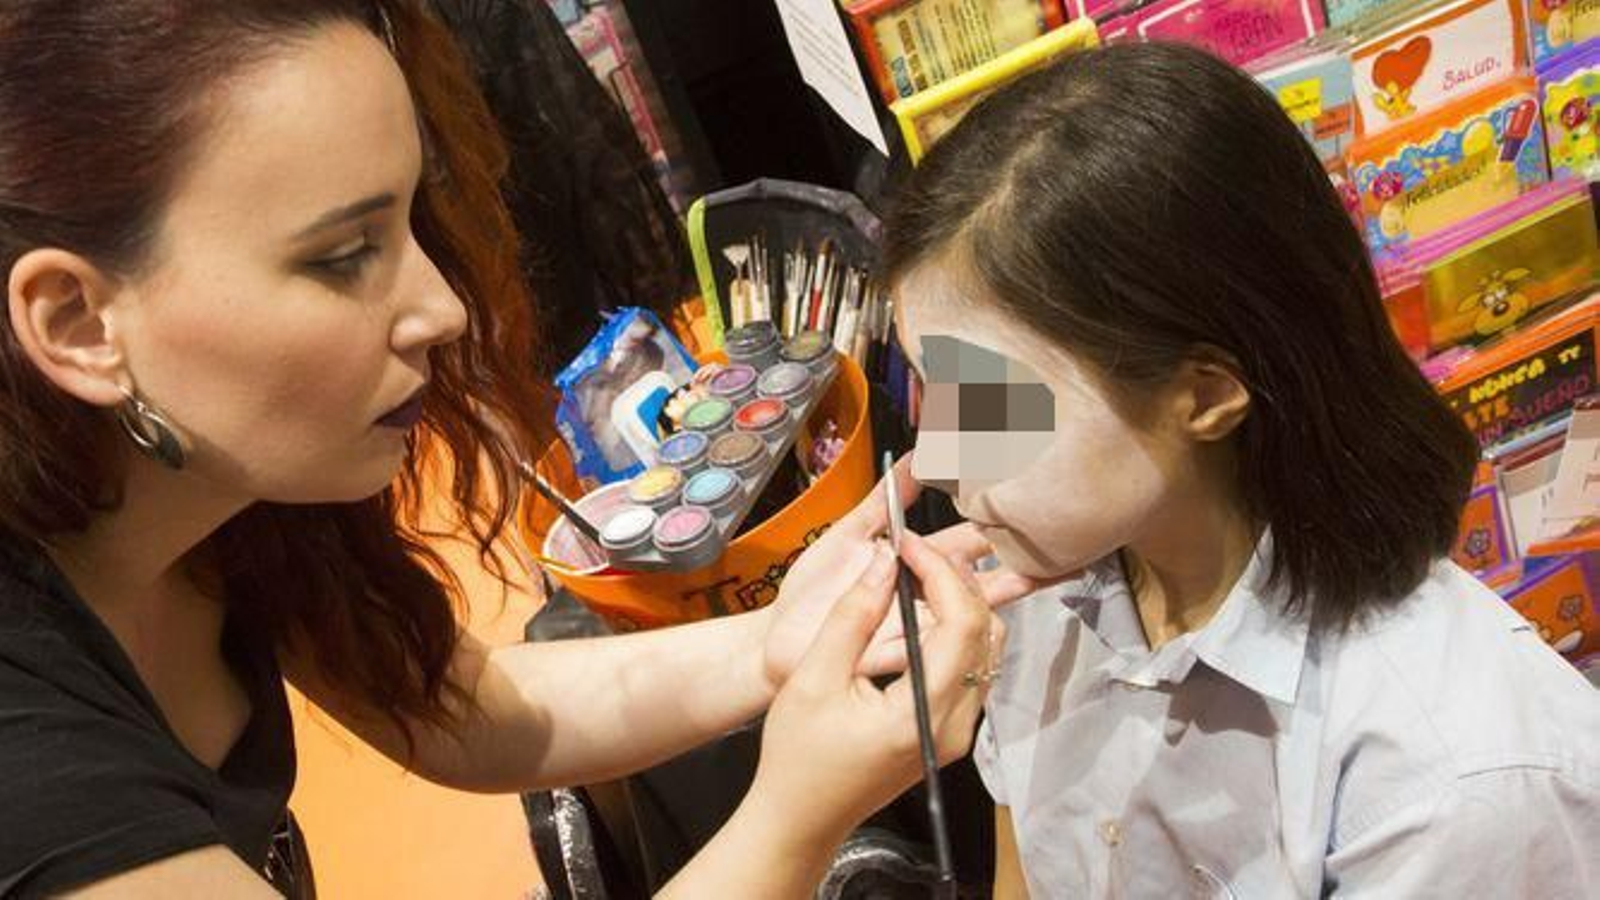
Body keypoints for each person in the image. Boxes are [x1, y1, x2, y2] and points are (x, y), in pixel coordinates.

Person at [0, 2, 1029, 896]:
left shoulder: (231, 499)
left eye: (410, 225)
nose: (440, 308)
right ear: (78, 322)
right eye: (341, 256)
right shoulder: (29, 761)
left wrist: (775, 643)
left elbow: (467, 714)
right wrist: (797, 812)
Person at [874, 42, 1600, 897]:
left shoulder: (1454, 784)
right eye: (930, 387)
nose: (944, 455)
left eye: (988, 401)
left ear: (1207, 393)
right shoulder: (1038, 583)